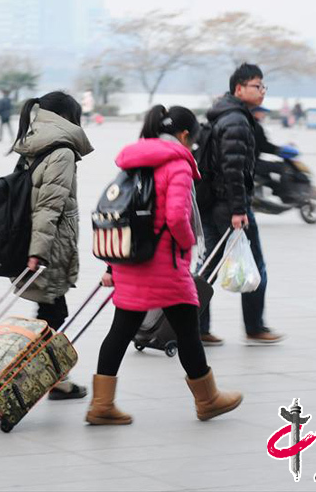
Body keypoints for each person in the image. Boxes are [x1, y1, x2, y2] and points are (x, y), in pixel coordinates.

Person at [86, 105, 243, 426]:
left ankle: (101, 404)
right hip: (164, 263)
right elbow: (176, 217)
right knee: (187, 329)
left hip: (131, 257)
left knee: (121, 328)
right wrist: (186, 244)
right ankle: (208, 399)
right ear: (185, 135)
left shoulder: (134, 159)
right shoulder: (177, 165)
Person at [11, 91, 93, 400]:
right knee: (52, 312)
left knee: (51, 309)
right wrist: (38, 252)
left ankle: (55, 377)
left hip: (35, 238)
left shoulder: (35, 141)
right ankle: (24, 373)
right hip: (50, 244)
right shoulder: (62, 151)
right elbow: (49, 206)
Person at [198, 63, 284, 346]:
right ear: (239, 88)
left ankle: (197, 327)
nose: (262, 92)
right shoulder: (236, 120)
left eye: (263, 87)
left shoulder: (221, 113)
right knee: (255, 263)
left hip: (210, 202)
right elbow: (233, 168)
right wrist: (238, 210)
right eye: (257, 86)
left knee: (207, 266)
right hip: (229, 204)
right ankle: (255, 326)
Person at [252, 106, 298, 199]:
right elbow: (264, 146)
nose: (264, 115)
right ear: (255, 112)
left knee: (268, 176)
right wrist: (278, 150)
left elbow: (261, 145)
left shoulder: (249, 124)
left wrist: (278, 149)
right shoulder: (255, 126)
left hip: (250, 162)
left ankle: (275, 191)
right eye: (262, 112)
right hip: (253, 163)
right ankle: (287, 195)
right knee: (284, 168)